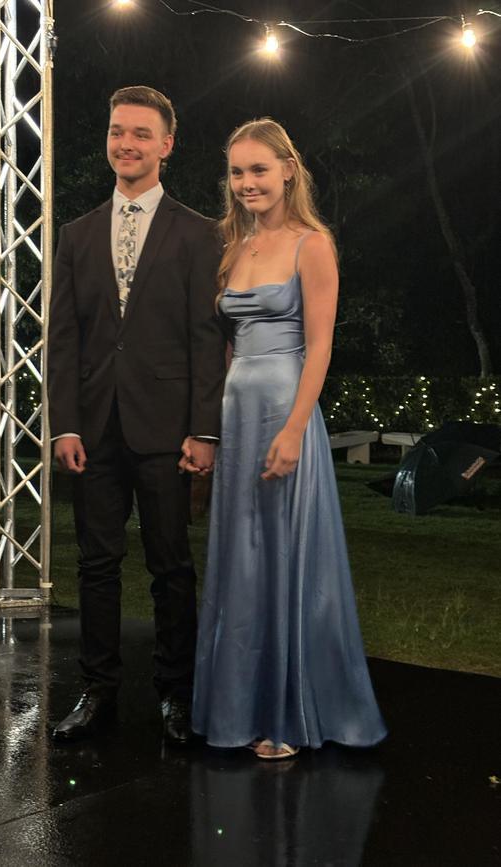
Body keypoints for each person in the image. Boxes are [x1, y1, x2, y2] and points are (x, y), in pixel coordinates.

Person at [190, 119, 387, 760]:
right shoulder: (229, 244)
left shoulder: (312, 245)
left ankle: (288, 713)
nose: (247, 183)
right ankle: (236, 707)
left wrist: (297, 429)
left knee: (284, 559)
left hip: (284, 410)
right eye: (237, 172)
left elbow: (322, 344)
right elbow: (224, 346)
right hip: (238, 411)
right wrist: (213, 428)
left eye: (258, 170)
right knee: (242, 561)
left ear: (287, 172)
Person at [47, 85, 226, 745]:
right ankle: (96, 694)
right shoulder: (75, 234)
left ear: (166, 144)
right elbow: (63, 339)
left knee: (171, 566)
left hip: (168, 429)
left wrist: (205, 430)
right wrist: (64, 421)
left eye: (141, 133)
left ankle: (176, 697)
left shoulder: (200, 233)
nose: (127, 143)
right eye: (119, 131)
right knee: (95, 565)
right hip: (91, 431)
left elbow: (208, 340)